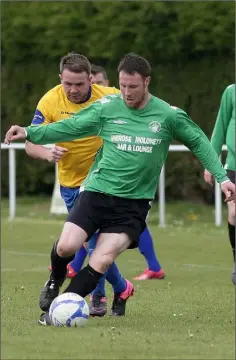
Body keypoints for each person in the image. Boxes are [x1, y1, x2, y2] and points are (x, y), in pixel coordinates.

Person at [5, 54, 235, 327]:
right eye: (123, 86)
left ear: (147, 82)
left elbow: (199, 142)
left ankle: (58, 311)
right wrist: (30, 133)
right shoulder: (107, 107)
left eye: (133, 87)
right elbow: (70, 126)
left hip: (133, 206)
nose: (126, 92)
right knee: (67, 245)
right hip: (96, 192)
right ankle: (55, 280)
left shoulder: (168, 115)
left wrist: (222, 177)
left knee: (100, 261)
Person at [24, 52, 133, 317]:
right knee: (86, 246)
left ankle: (96, 297)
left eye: (80, 84)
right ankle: (123, 287)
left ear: (91, 81)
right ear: (60, 78)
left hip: (104, 183)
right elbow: (30, 143)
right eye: (68, 84)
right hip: (71, 184)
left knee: (95, 244)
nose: (73, 90)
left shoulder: (109, 96)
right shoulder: (50, 100)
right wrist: (47, 152)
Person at [68, 64, 165, 281]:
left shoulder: (116, 100)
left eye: (103, 82)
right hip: (77, 177)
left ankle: (98, 293)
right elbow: (68, 127)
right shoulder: (86, 105)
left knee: (98, 242)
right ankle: (111, 283)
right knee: (83, 238)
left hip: (106, 181)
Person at [204, 84, 235, 285]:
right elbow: (220, 127)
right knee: (234, 213)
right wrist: (211, 162)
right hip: (233, 165)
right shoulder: (231, 91)